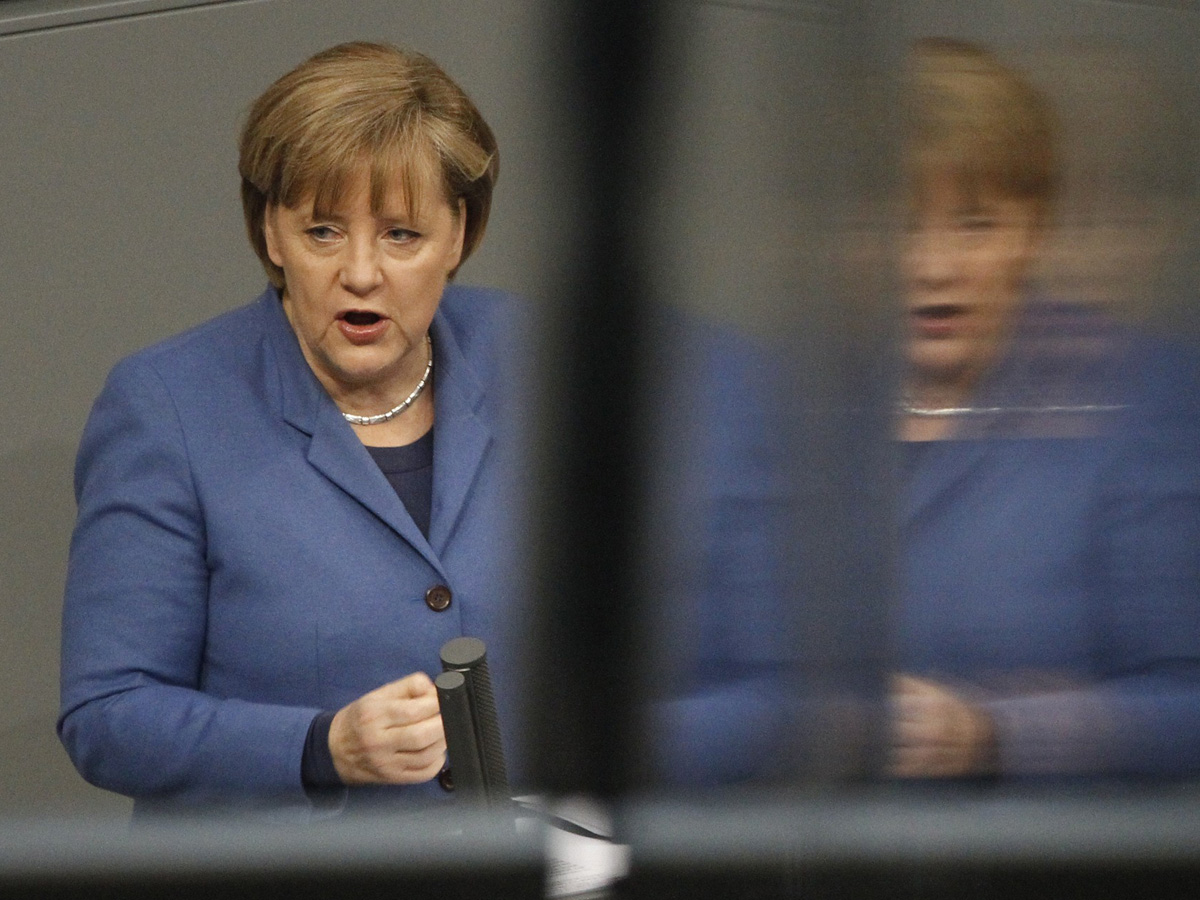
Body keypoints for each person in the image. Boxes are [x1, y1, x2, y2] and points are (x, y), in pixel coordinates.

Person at [58, 41, 528, 818]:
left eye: (402, 235)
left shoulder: (536, 363)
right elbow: (108, 715)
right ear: (271, 234)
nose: (361, 273)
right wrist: (321, 747)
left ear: (459, 235)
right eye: (323, 232)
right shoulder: (168, 407)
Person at [890, 38, 1200, 780]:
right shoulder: (797, 402)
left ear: (1034, 233)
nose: (934, 266)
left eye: (975, 224)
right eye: (901, 224)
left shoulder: (1136, 395)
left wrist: (989, 734)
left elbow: (1186, 704)